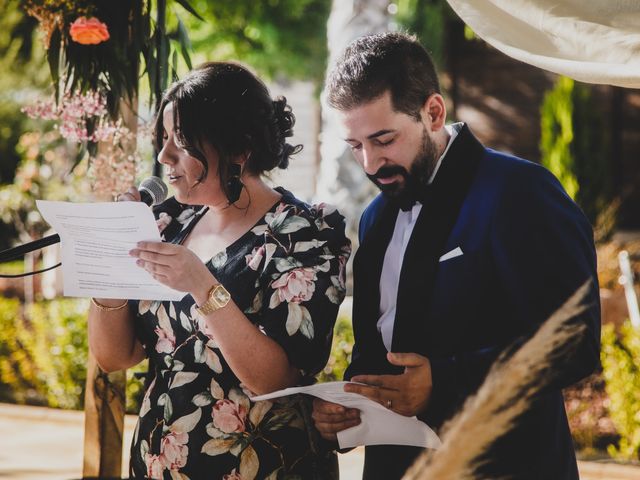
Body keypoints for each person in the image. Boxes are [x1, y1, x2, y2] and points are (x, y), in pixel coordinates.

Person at [312, 32, 600, 479]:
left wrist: (443, 382)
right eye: (356, 146)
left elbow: (575, 342)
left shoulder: (522, 192)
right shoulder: (374, 218)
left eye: (384, 139)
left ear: (433, 112)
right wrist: (346, 407)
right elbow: (378, 347)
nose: (369, 163)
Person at [88, 62, 351, 479]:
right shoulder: (168, 223)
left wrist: (201, 284)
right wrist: (110, 261)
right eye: (163, 138)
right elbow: (114, 356)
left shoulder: (304, 231)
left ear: (239, 149)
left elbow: (274, 380)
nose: (163, 156)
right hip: (157, 464)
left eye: (183, 141)